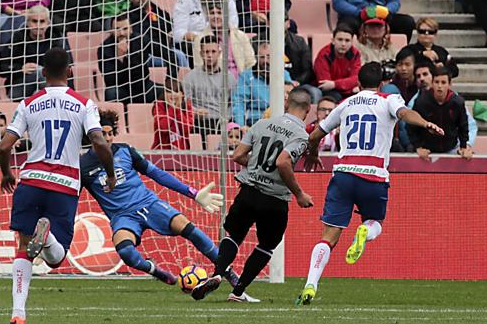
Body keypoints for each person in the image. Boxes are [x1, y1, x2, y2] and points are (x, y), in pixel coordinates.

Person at [295, 62, 444, 306]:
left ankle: (311, 283)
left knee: (328, 237)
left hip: (343, 174)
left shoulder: (346, 103)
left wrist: (312, 153)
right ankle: (365, 230)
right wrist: (425, 123)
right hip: (373, 174)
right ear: (382, 83)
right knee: (376, 222)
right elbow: (405, 114)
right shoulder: (389, 99)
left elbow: (316, 134)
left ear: (358, 84)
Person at [0, 47, 116, 324]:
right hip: (64, 184)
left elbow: (4, 147)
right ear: (70, 71)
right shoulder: (84, 104)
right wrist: (110, 173)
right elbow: (99, 142)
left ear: (42, 73)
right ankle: (47, 236)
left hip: (32, 181)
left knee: (24, 248)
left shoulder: (28, 103)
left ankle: (18, 313)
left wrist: (6, 173)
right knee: (56, 259)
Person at [80, 109, 249, 296]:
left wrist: (193, 193)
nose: (108, 138)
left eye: (111, 133)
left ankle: (228, 272)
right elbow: (72, 198)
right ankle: (154, 270)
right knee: (125, 252)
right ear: (92, 135)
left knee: (187, 227)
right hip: (122, 217)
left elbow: (157, 174)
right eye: (103, 134)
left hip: (149, 204)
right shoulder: (83, 166)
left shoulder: (125, 151)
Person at [191, 86, 315, 303]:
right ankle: (238, 291)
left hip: (248, 192)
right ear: (309, 108)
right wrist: (299, 194)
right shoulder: (301, 135)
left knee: (234, 236)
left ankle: (218, 274)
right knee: (266, 245)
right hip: (274, 200)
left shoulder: (262, 123)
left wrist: (256, 164)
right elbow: (283, 162)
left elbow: (238, 155)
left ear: (287, 104)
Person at [0, 5, 72, 101]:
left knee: (42, 79)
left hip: (48, 88)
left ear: (48, 23)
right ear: (28, 23)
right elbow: (1, 67)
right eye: (34, 21)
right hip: (20, 88)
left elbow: (68, 66)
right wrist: (20, 69)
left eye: (42, 21)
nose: (38, 25)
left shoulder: (57, 39)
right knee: (39, 72)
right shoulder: (18, 38)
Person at [402, 62, 477, 152]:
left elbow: (464, 126)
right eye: (437, 82)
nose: (440, 86)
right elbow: (411, 126)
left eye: (443, 82)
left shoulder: (457, 102)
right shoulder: (421, 101)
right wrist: (418, 147)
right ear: (432, 83)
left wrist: (464, 146)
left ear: (449, 84)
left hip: (451, 148)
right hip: (427, 150)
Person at [98, 14, 173, 105]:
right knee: (111, 93)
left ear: (131, 29)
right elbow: (110, 81)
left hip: (144, 87)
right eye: (117, 29)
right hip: (122, 90)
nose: (121, 33)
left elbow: (171, 56)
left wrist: (169, 81)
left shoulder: (140, 40)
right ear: (111, 31)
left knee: (168, 93)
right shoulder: (104, 49)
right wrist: (120, 58)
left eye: (125, 29)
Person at [183, 35, 237, 146]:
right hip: (199, 122)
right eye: (206, 52)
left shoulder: (229, 77)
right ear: (201, 53)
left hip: (222, 121)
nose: (210, 55)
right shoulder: (190, 77)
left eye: (213, 51)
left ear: (219, 52)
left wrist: (226, 116)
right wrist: (194, 111)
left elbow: (234, 103)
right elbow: (184, 104)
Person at [232, 40, 294, 127]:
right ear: (256, 57)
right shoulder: (246, 76)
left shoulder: (284, 74)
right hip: (255, 122)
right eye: (261, 57)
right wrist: (240, 126)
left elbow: (292, 100)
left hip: (280, 122)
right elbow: (239, 103)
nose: (265, 61)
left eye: (268, 56)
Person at [193, 3, 255, 83]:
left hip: (242, 85)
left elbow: (250, 63)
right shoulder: (200, 39)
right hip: (214, 86)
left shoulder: (240, 36)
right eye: (212, 13)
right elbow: (199, 68)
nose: (216, 16)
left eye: (219, 13)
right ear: (207, 16)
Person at [173, 0, 238, 67]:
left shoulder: (227, 0)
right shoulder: (185, 0)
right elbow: (178, 34)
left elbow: (234, 29)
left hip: (223, 40)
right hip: (194, 44)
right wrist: (201, 38)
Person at [332, 0, 416, 42]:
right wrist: (359, 12)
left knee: (407, 22)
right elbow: (338, 3)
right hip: (356, 15)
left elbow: (395, 1)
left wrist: (386, 10)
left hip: (381, 13)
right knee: (344, 27)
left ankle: (400, 57)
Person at [313, 24, 362, 101]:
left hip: (343, 89)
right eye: (340, 39)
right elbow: (324, 84)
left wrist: (334, 84)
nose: (343, 44)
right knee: (337, 97)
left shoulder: (355, 54)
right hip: (330, 92)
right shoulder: (324, 55)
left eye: (347, 40)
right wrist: (349, 86)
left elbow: (356, 78)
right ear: (333, 40)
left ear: (352, 42)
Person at [284, 15, 321, 103]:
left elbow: (308, 70)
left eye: (282, 21)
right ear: (268, 22)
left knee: (315, 92)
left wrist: (297, 82)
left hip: (296, 83)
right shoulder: (259, 41)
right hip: (266, 84)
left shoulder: (300, 42)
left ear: (288, 23)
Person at [152, 77, 194, 150]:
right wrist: (172, 108)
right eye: (169, 92)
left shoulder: (187, 106)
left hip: (182, 152)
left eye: (175, 91)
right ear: (164, 93)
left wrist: (177, 109)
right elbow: (163, 128)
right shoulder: (159, 105)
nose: (172, 94)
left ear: (182, 94)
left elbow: (186, 130)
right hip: (162, 151)